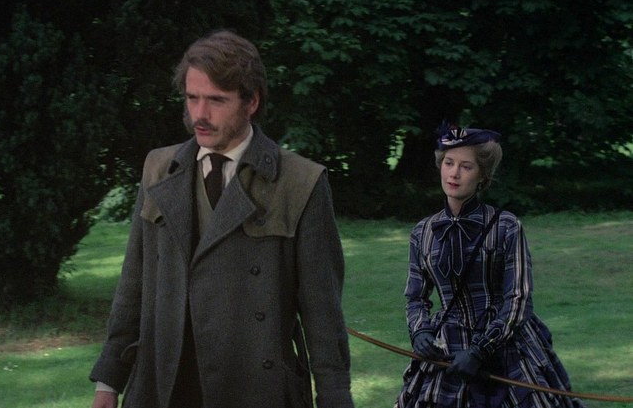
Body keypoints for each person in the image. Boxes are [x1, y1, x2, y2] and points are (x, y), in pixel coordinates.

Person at [89, 30, 355, 408]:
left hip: (255, 390)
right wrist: (108, 382)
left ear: (251, 102)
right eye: (192, 98)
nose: (199, 114)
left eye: (216, 100)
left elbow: (323, 314)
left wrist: (335, 397)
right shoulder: (159, 169)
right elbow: (133, 286)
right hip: (163, 386)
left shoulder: (300, 182)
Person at [394, 126, 586, 408]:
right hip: (446, 349)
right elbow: (415, 296)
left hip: (504, 348)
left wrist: (479, 350)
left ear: (482, 176)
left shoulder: (506, 226)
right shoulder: (423, 232)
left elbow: (518, 299)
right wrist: (420, 332)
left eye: (466, 166)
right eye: (448, 163)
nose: (454, 173)